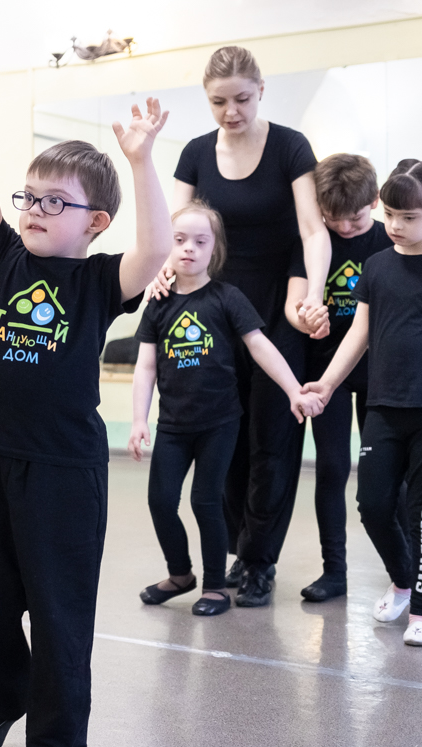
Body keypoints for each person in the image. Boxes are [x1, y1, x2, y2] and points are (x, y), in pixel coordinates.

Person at [0, 64, 171, 747]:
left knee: (59, 612)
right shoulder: (4, 261)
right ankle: (5, 694)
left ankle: (58, 744)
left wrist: (140, 161)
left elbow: (155, 252)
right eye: (31, 197)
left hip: (65, 471)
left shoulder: (99, 282)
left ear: (94, 222)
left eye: (55, 202)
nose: (35, 210)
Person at [303, 157, 422, 647]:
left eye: (408, 217)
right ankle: (402, 581)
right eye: (389, 214)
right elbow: (359, 334)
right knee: (372, 503)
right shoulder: (377, 266)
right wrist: (327, 384)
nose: (395, 225)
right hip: (385, 404)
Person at [164, 45, 332, 608]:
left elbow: (312, 230)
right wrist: (166, 274)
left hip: (277, 303)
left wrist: (312, 295)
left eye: (241, 98)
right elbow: (175, 230)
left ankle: (260, 560)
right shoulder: (195, 153)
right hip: (215, 310)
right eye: (219, 102)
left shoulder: (290, 146)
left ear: (261, 90)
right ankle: (239, 547)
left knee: (272, 439)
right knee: (224, 436)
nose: (231, 111)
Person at [129, 201, 322, 617]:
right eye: (180, 240)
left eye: (200, 242)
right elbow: (146, 366)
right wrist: (139, 419)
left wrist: (293, 391)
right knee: (160, 500)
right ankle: (180, 574)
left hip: (218, 422)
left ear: (214, 249)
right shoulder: (158, 304)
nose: (189, 248)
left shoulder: (227, 298)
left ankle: (215, 586)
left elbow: (260, 346)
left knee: (205, 502)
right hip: (173, 426)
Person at [284, 154, 393, 602]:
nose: (345, 228)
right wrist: (305, 318)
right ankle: (335, 570)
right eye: (334, 219)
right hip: (325, 371)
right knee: (331, 468)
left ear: (375, 201)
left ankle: (401, 568)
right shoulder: (313, 241)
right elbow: (293, 304)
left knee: (386, 474)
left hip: (380, 373)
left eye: (356, 218)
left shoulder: (389, 241)